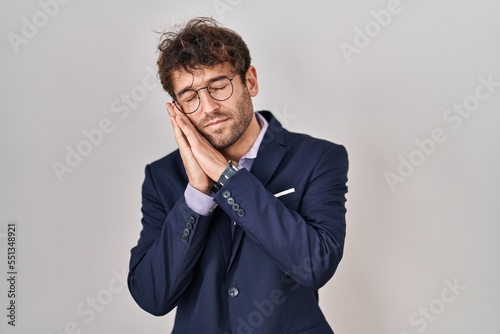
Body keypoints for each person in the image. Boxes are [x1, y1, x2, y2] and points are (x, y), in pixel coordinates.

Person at [127, 17, 349, 334]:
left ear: (251, 81)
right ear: (177, 108)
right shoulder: (162, 176)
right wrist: (196, 197)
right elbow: (152, 296)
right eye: (190, 97)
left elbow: (315, 264)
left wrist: (225, 175)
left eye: (219, 86)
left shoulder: (318, 158)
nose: (208, 107)